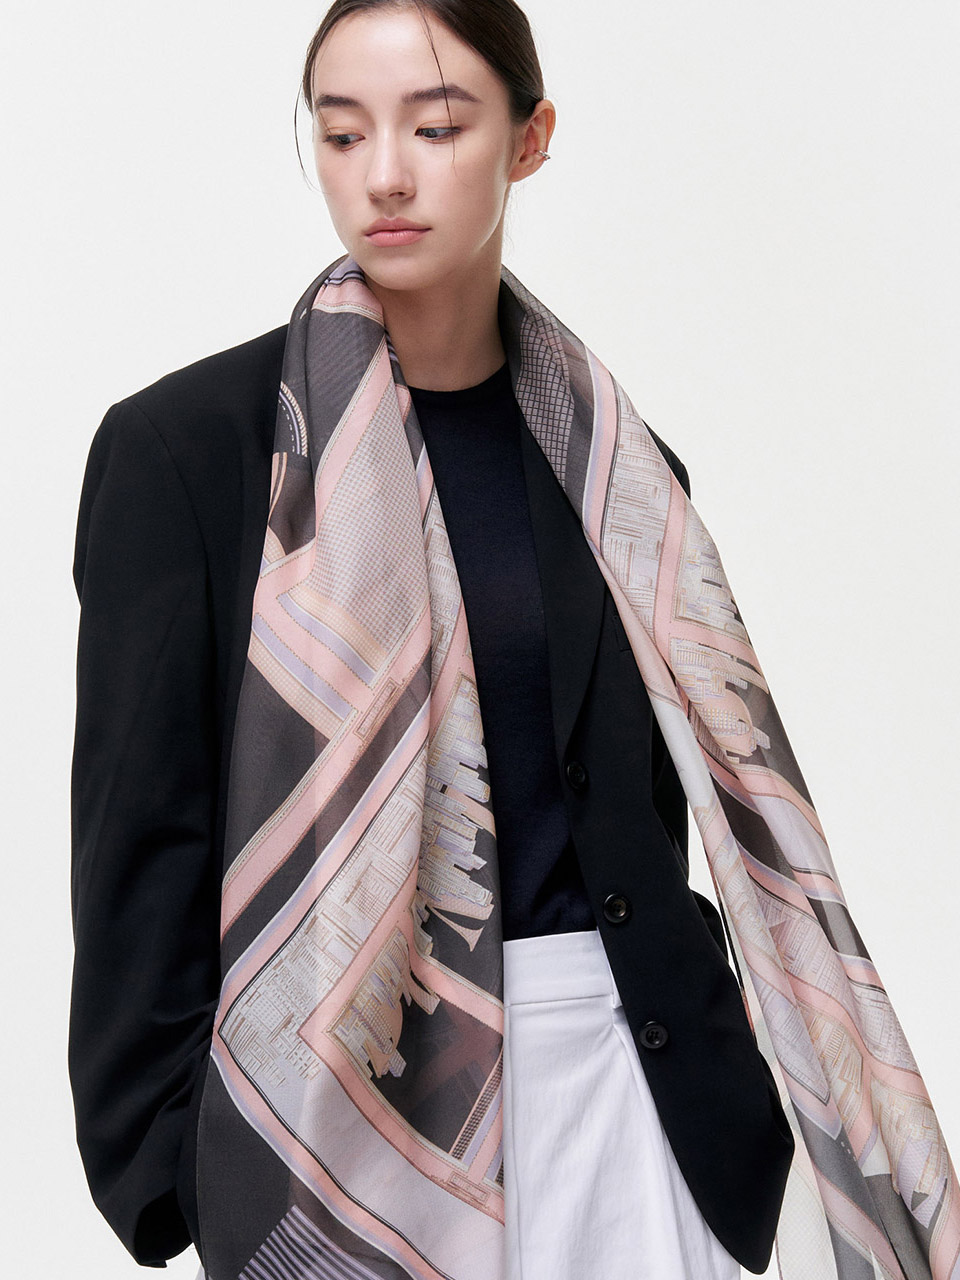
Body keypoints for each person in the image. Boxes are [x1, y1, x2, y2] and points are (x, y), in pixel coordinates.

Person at [70, 4, 959, 1280]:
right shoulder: (192, 453)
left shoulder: (618, 467)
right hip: (348, 1119)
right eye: (342, 133)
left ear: (530, 140)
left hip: (636, 1098)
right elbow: (138, 841)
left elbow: (642, 815)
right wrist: (184, 1168)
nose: (384, 174)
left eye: (435, 128)